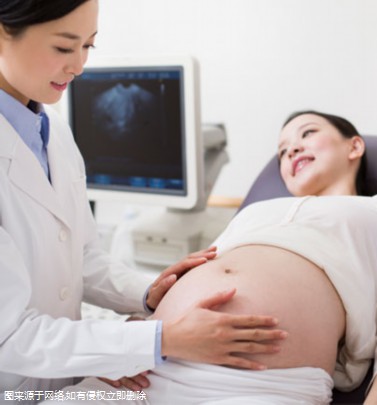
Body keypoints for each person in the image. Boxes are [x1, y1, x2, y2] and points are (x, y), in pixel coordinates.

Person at [50, 111, 377, 404]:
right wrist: (126, 339)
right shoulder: (260, 209)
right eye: (282, 150)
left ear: (354, 146)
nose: (292, 149)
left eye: (307, 134)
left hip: (255, 384)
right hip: (144, 369)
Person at [0, 0, 288, 400]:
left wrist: (147, 292)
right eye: (65, 48)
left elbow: (81, 258)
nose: (79, 66)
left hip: (65, 382)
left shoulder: (55, 135)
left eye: (89, 46)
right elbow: (9, 335)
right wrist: (156, 340)